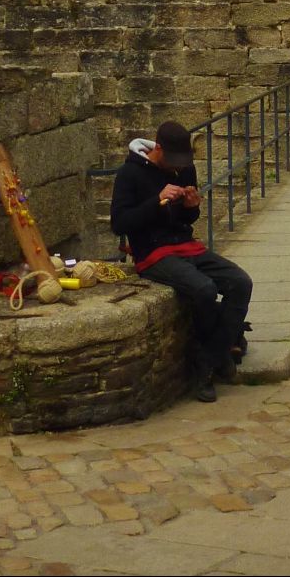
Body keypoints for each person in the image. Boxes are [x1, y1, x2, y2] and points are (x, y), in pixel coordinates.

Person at [111, 120, 253, 403]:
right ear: (158, 148)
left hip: (185, 245)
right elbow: (120, 223)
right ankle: (210, 365)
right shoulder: (130, 173)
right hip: (151, 252)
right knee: (204, 289)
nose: (178, 169)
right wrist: (157, 201)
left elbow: (187, 220)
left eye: (181, 163)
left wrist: (191, 207)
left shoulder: (185, 168)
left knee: (240, 282)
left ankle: (209, 357)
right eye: (172, 162)